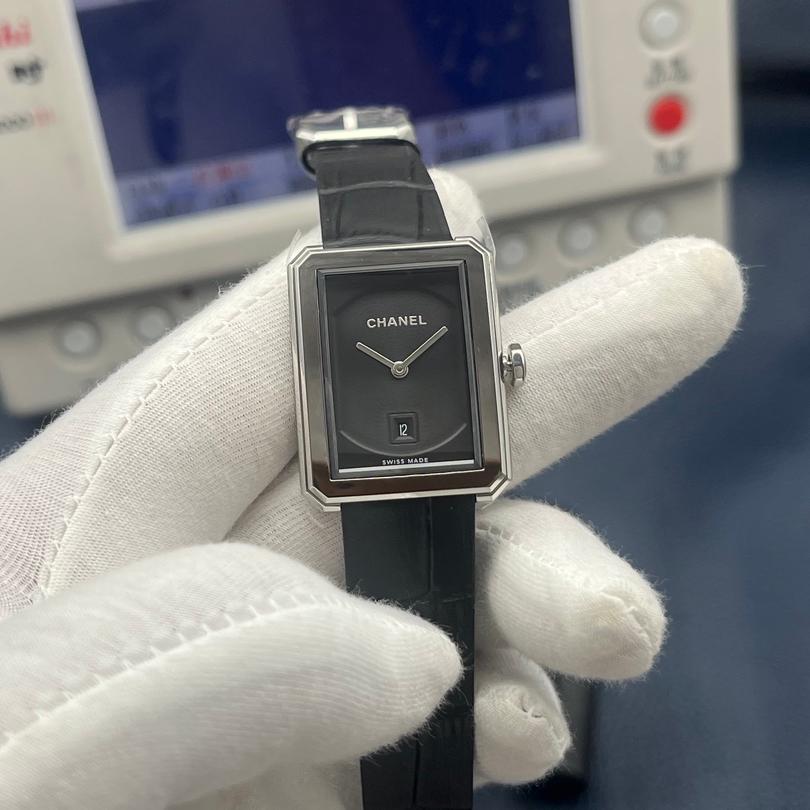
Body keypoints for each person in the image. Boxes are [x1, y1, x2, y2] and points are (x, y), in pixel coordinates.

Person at [0, 172, 744, 809]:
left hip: (413, 478)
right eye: (388, 363)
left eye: (411, 361)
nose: (399, 370)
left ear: (501, 367)